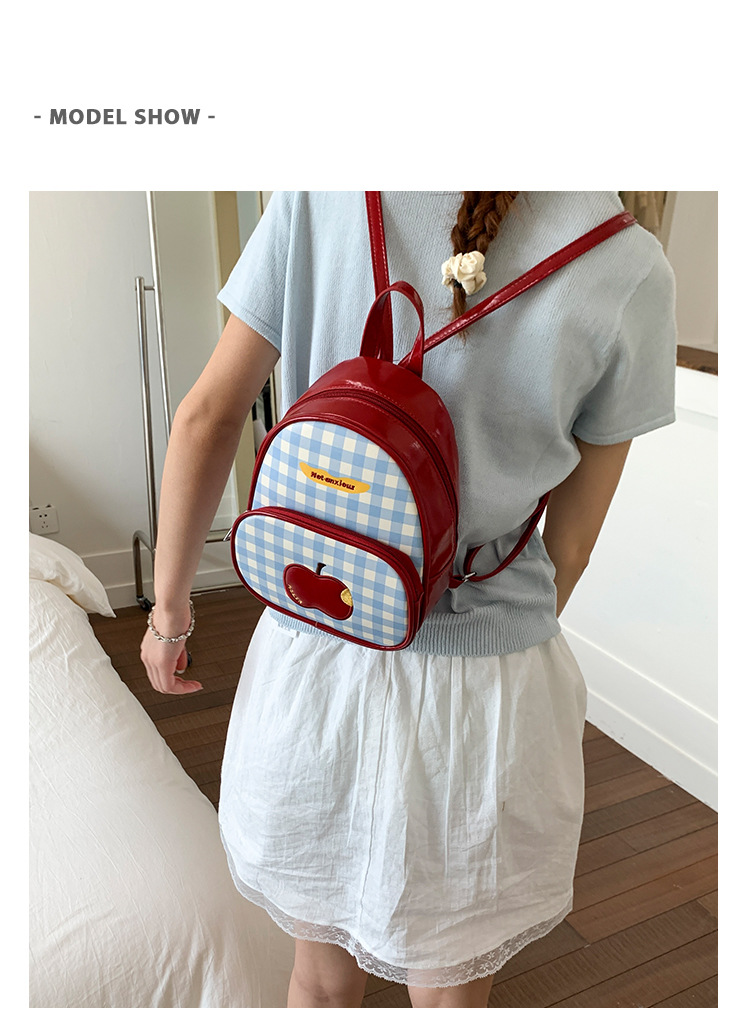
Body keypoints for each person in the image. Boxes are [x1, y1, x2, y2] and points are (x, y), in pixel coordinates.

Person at [140, 192, 677, 1009]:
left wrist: (169, 615)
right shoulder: (630, 266)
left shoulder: (322, 191)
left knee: (319, 984)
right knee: (450, 999)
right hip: (485, 697)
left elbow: (207, 418)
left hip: (317, 650)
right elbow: (569, 546)